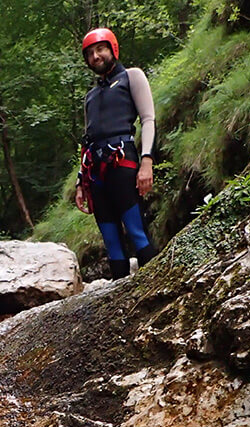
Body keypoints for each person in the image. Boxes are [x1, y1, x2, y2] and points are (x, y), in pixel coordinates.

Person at [74, 28, 159, 280]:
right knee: (111, 240)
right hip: (95, 171)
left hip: (122, 161)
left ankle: (154, 286)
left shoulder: (132, 76)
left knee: (136, 231)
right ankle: (119, 296)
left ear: (113, 49)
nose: (95, 56)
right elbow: (87, 140)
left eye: (100, 49)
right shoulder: (90, 97)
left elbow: (148, 119)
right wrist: (80, 182)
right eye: (90, 53)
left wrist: (147, 161)